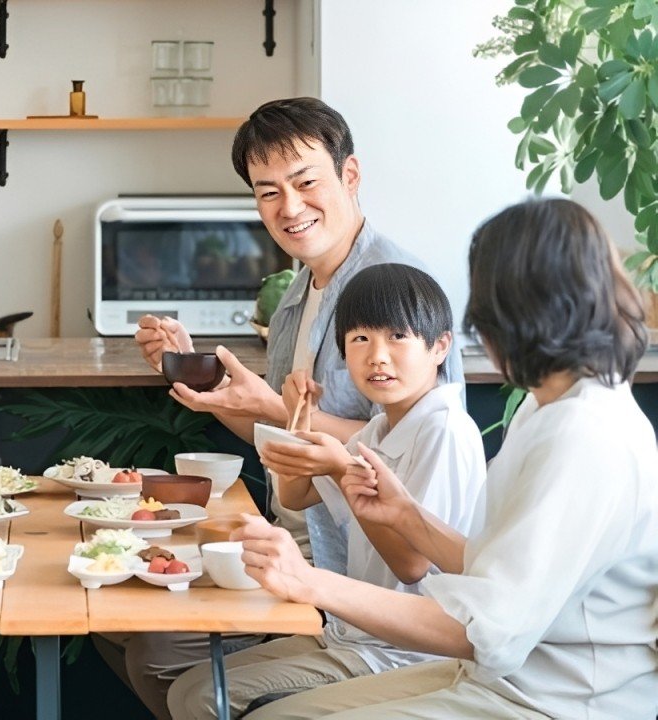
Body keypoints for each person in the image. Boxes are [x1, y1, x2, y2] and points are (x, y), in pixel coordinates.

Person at [107, 97, 466, 718]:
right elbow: (282, 436)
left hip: (355, 574)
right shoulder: (298, 289)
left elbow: (411, 440)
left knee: (157, 653)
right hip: (292, 536)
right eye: (268, 192)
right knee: (117, 622)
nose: (290, 207)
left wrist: (273, 406)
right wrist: (210, 386)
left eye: (306, 183)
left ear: (349, 176)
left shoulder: (394, 287)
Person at [229, 198, 657, 719]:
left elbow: (480, 630)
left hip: (557, 699)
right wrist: (407, 516)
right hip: (506, 674)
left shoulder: (584, 435)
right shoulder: (551, 407)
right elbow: (499, 571)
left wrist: (309, 580)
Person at [166, 263, 486, 719]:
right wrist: (298, 419)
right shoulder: (380, 428)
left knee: (202, 698)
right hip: (352, 632)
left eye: (398, 336)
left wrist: (339, 469)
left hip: (404, 652)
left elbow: (412, 565)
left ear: (440, 346)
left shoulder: (443, 429)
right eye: (360, 340)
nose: (378, 355)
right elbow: (296, 496)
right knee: (188, 691)